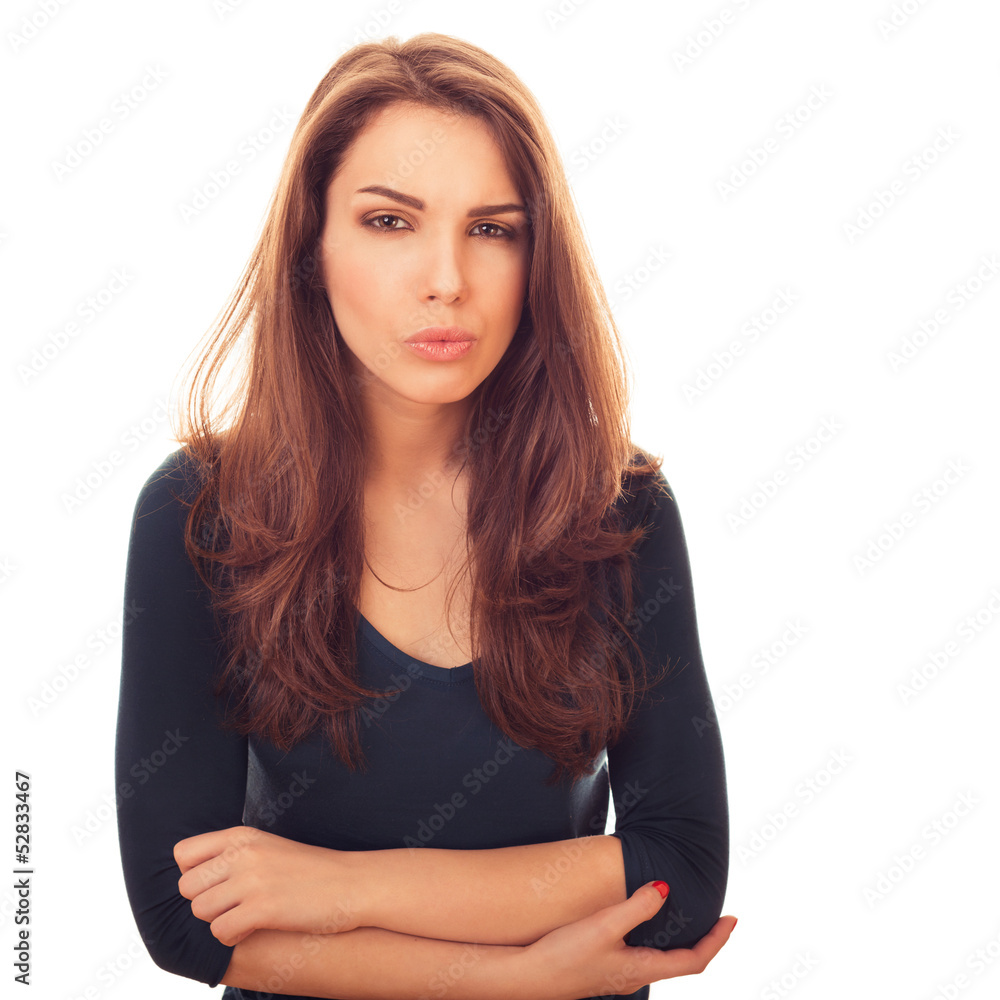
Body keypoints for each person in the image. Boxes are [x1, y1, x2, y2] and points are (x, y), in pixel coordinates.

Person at [114, 31, 735, 1000]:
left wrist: (337, 888)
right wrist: (519, 978)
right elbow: (182, 918)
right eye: (389, 221)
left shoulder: (618, 509)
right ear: (313, 247)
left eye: (492, 228)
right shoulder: (201, 512)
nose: (446, 277)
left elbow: (682, 877)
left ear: (537, 259)